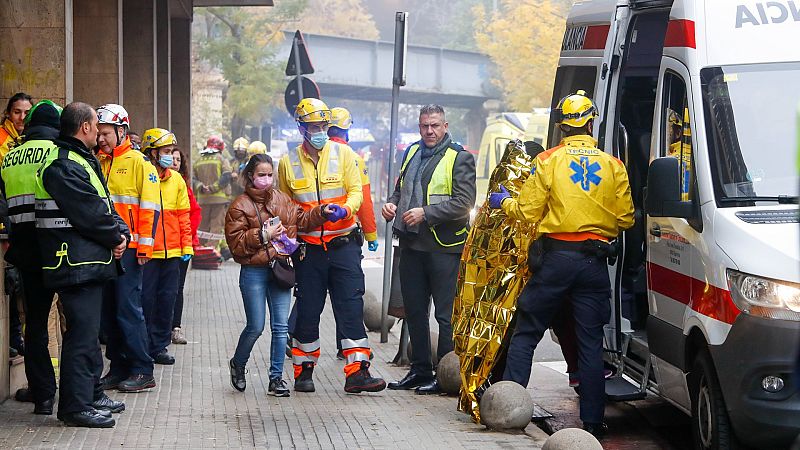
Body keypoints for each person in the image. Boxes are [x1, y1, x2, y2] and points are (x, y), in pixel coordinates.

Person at [488, 90, 634, 437]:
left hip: (555, 259)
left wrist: (504, 201)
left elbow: (525, 212)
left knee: (526, 332)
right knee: (589, 344)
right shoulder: (612, 165)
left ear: (562, 125)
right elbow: (626, 218)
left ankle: (509, 410)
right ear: (591, 121)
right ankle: (594, 422)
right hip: (594, 262)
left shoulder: (549, 160)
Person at [278, 98, 385, 394]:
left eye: (324, 126)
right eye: (315, 126)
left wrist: (346, 210)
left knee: (351, 306)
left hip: (344, 244)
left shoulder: (345, 154)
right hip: (309, 250)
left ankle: (358, 372)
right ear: (302, 128)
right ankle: (303, 371)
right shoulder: (288, 163)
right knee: (309, 310)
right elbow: (285, 208)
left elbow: (356, 192)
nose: (321, 131)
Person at [34, 101, 129, 427]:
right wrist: (116, 237)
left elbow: (104, 205)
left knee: (87, 334)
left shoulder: (78, 160)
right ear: (85, 128)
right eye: (96, 127)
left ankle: (90, 394)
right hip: (74, 262)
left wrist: (121, 233)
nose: (100, 135)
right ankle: (75, 406)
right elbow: (91, 214)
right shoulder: (63, 165)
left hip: (85, 261)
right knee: (81, 335)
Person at [383, 104, 476, 394]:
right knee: (414, 311)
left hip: (444, 248)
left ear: (445, 126)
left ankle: (445, 375)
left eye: (435, 125)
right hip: (412, 244)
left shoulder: (459, 158)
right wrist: (392, 204)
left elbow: (464, 203)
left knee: (445, 316)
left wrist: (426, 212)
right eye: (424, 126)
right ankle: (420, 369)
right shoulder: (411, 151)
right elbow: (400, 189)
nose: (429, 131)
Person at [225, 153, 328, 397]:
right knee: (255, 326)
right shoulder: (239, 205)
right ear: (250, 176)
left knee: (281, 328)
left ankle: (276, 378)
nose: (267, 180)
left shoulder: (283, 200)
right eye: (262, 175)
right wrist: (263, 235)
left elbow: (301, 219)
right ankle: (238, 364)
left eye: (270, 175)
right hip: (254, 271)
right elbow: (236, 245)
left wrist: (322, 212)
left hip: (280, 269)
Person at [0, 100, 62, 415]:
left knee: (34, 325)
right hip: (63, 251)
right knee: (78, 321)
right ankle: (82, 393)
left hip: (25, 252)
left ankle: (43, 395)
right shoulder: (60, 153)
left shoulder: (9, 157)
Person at [95, 103, 159, 393]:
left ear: (121, 130)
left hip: (131, 249)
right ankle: (118, 367)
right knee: (109, 311)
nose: (101, 138)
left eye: (106, 133)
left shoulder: (140, 163)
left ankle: (142, 368)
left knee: (127, 309)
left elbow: (150, 208)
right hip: (107, 248)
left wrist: (144, 248)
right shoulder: (100, 161)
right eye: (99, 133)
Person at [140, 128, 193, 365]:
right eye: (166, 151)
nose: (171, 156)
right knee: (146, 301)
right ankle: (143, 345)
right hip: (148, 253)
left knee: (167, 300)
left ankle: (159, 346)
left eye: (172, 151)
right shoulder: (143, 175)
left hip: (172, 253)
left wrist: (187, 247)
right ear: (152, 153)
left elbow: (184, 217)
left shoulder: (177, 180)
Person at [170, 147, 201, 345]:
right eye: (170, 158)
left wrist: (186, 240)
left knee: (177, 288)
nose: (173, 162)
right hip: (160, 248)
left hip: (181, 246)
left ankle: (175, 328)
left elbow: (194, 215)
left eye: (177, 160)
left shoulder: (184, 187)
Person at [194, 135, 232, 258]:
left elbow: (193, 179)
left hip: (203, 199)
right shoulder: (221, 159)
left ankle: (199, 250)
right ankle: (211, 252)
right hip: (219, 199)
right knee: (216, 226)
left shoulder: (199, 160)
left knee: (203, 226)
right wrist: (213, 188)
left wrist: (201, 187)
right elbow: (226, 176)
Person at [0, 93, 32, 159]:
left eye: (27, 113)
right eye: (17, 112)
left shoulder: (33, 136)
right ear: (8, 113)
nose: (22, 117)